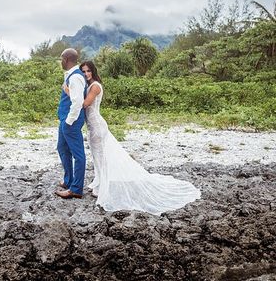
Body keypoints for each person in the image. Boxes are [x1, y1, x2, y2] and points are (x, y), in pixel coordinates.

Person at [67, 60, 201, 215]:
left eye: (88, 71)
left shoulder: (95, 86)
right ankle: (99, 183)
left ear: (93, 71)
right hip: (92, 126)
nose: (85, 74)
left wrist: (69, 90)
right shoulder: (89, 85)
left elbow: (84, 104)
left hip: (97, 126)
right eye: (83, 71)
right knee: (97, 158)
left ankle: (102, 186)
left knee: (101, 158)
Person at [55, 48, 87, 199]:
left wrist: (68, 121)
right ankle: (69, 181)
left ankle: (76, 188)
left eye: (61, 59)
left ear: (66, 59)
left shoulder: (75, 78)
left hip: (71, 121)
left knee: (77, 154)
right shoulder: (71, 75)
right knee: (62, 148)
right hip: (66, 119)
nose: (60, 61)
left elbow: (77, 102)